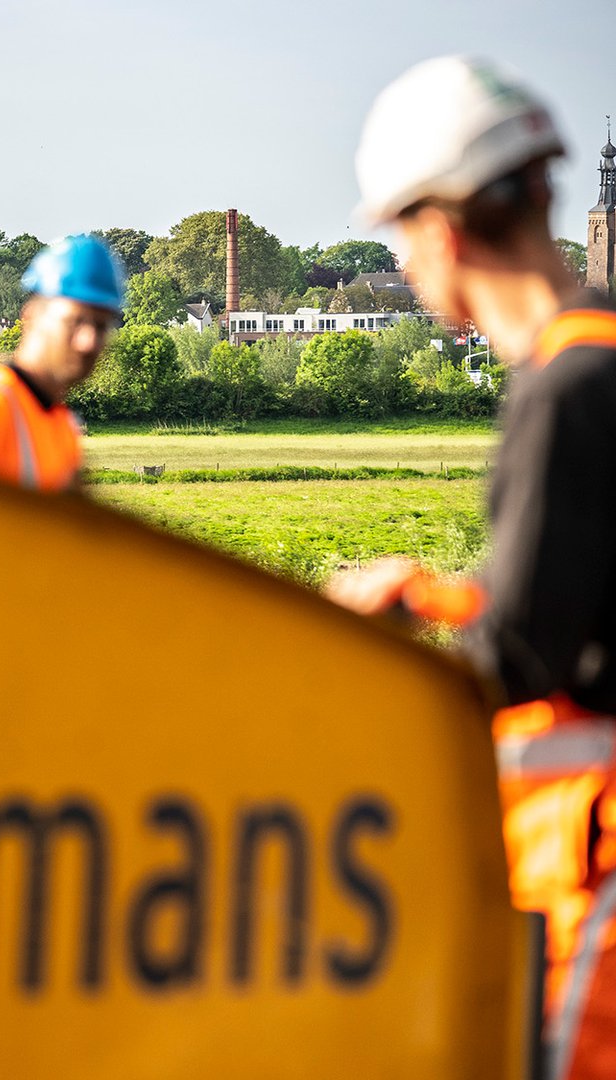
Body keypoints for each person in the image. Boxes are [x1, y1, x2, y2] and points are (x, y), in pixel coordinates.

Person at [325, 55, 616, 1077]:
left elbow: (522, 660)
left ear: (441, 232)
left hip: (593, 887)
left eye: (403, 237)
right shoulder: (607, 355)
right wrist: (443, 594)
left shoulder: (567, 392)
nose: (405, 265)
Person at [0, 234, 124, 490]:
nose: (89, 342)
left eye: (101, 326)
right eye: (76, 321)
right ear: (32, 317)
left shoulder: (61, 425)